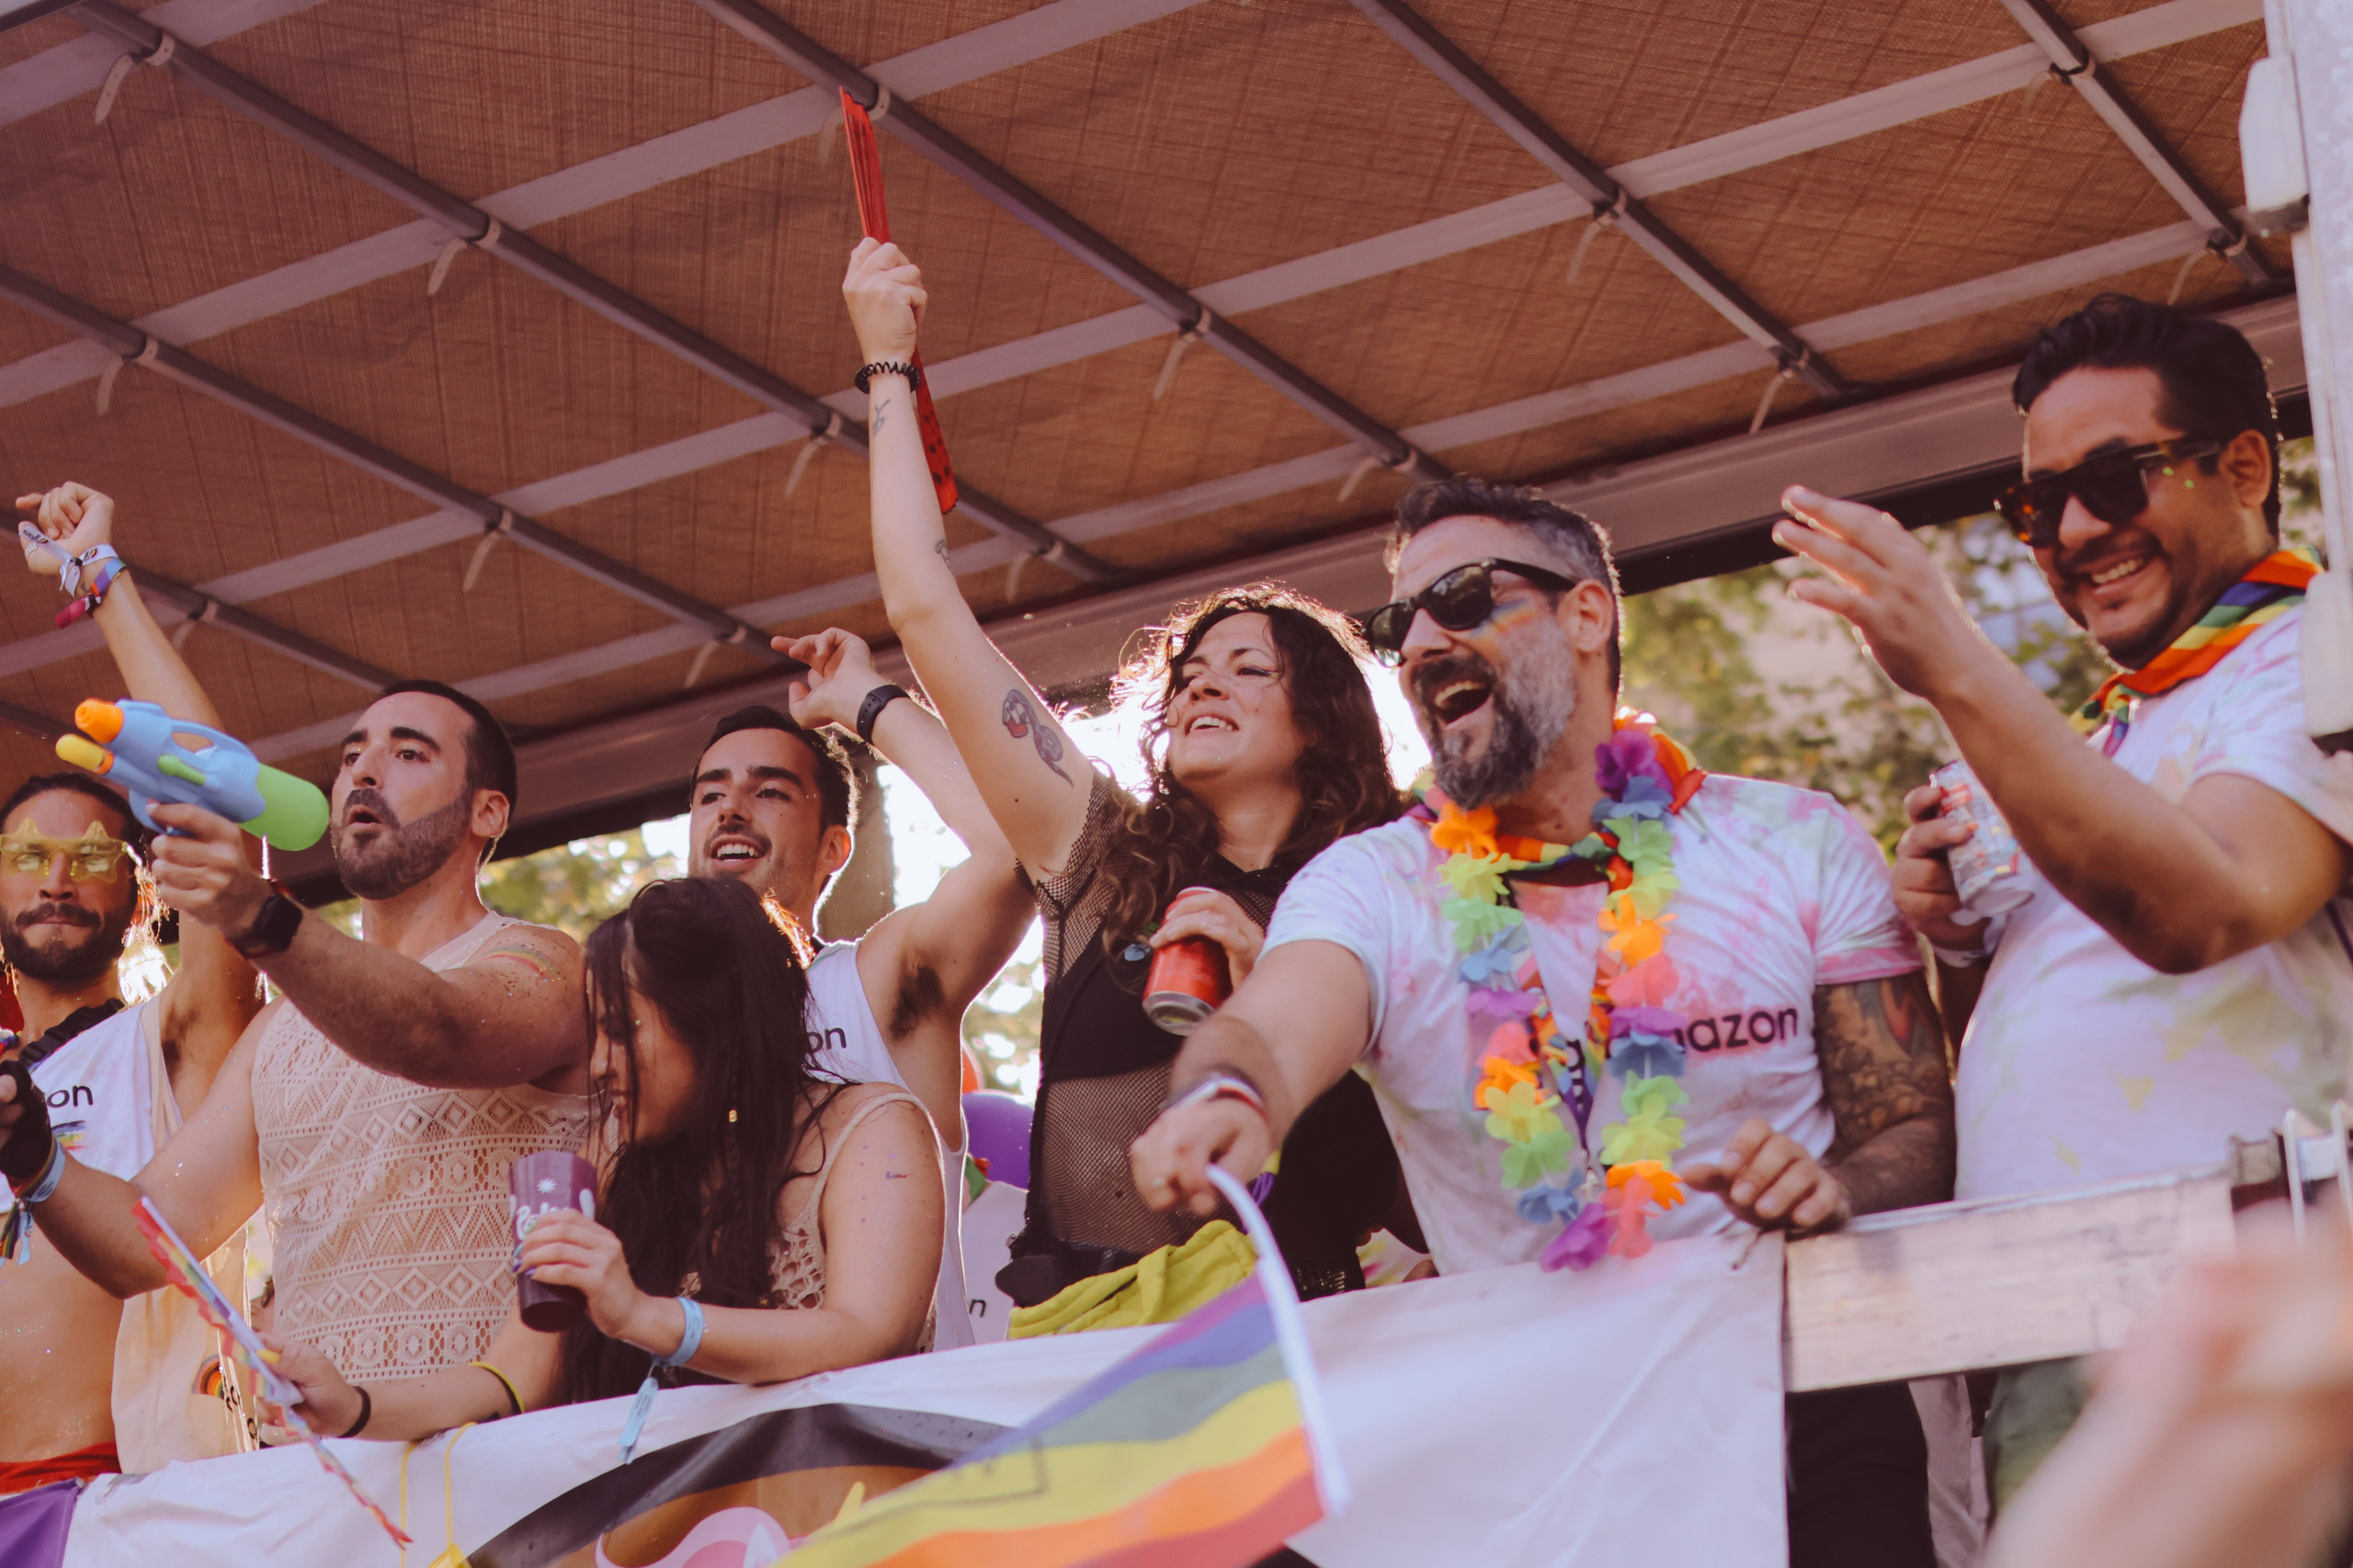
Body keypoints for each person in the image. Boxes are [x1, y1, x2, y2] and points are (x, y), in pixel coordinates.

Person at [1130, 476, 1956, 1567]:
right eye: (1400, 619)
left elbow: (1912, 1123)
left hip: (1804, 1410)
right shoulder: (1373, 881)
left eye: (1464, 597)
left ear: (1587, 613)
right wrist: (1225, 1090)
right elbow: (1275, 1023)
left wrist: (1835, 1187)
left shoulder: (1793, 841)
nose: (1421, 640)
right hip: (1539, 1454)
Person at [1770, 294, 2353, 1506]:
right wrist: (1959, 940)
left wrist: (1951, 660)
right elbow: (2048, 1034)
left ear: (2245, 467)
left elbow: (2205, 908)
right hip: (2048, 1311)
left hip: (2249, 1321)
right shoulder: (2112, 727)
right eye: (2040, 504)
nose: (2076, 529)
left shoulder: (2316, 653)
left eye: (2114, 478)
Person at [840, 238, 1415, 1309]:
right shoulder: (1104, 857)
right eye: (1189, 674)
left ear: (1325, 721)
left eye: (1248, 668)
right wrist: (885, 363)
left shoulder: (1387, 888)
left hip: (1315, 1337)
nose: (1203, 687)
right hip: (1094, 1346)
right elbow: (921, 602)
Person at [0, 483, 595, 1392]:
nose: (363, 770)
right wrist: (31, 1149)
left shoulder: (540, 958)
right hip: (323, 1462)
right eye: (352, 753)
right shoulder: (283, 1031)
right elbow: (146, 1242)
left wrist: (261, 916)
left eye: (408, 752)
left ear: (489, 811)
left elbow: (434, 1030)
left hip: (500, 1454)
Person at [264, 878, 942, 1439]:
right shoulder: (612, 1157)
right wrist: (353, 1408)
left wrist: (645, 1317)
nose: (598, 1065)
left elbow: (866, 1334)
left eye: (622, 1031)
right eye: (596, 1034)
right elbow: (507, 1381)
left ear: (717, 1023)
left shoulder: (872, 1132)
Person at [0, 485, 265, 1492]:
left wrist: (99, 578)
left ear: (144, 890)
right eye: (29, 856)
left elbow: (219, 795)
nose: (57, 879)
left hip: (114, 1504)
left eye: (92, 857)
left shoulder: (172, 1036)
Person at [685, 626, 1033, 1347]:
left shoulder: (873, 981)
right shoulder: (648, 1018)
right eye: (710, 793)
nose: (730, 808)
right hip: (703, 1411)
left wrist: (869, 704)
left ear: (834, 847)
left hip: (893, 1414)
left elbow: (1014, 847)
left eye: (768, 791)